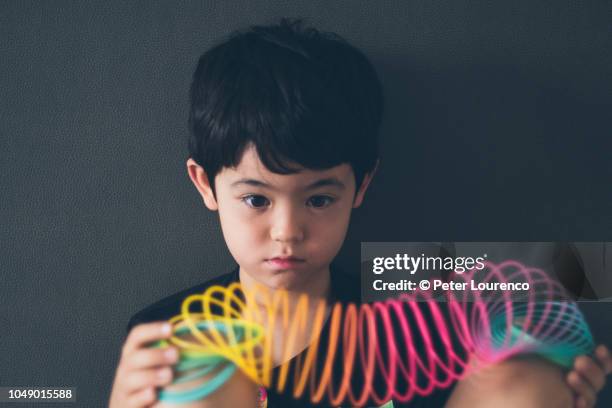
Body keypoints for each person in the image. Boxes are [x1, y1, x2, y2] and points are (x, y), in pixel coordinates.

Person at [108, 18, 612, 408]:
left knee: (532, 369)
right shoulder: (164, 332)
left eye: (319, 199)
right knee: (190, 372)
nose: (288, 232)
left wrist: (545, 389)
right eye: (256, 199)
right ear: (205, 184)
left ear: (360, 186)